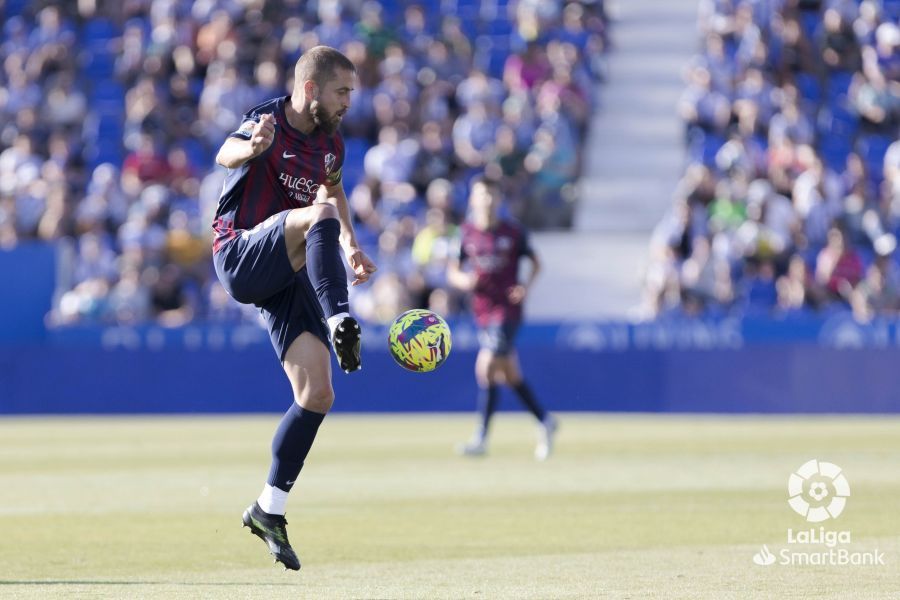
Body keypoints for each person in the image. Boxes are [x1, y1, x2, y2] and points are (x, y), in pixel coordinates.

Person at [211, 46, 377, 570]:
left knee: (318, 393)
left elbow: (334, 192)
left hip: (285, 263)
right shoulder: (266, 120)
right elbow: (225, 154)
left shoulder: (331, 142)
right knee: (317, 214)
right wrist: (249, 148)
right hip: (239, 251)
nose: (350, 101)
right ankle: (340, 315)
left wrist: (350, 244)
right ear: (311, 90)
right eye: (342, 91)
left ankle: (268, 509)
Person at [447, 177, 557, 460]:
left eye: (492, 195)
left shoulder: (513, 232)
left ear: (500, 199)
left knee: (485, 367)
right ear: (472, 199)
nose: (487, 200)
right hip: (482, 310)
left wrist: (526, 288)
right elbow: (453, 271)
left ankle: (481, 437)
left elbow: (536, 263)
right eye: (482, 194)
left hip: (507, 310)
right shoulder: (466, 233)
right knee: (510, 374)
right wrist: (465, 281)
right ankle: (545, 421)